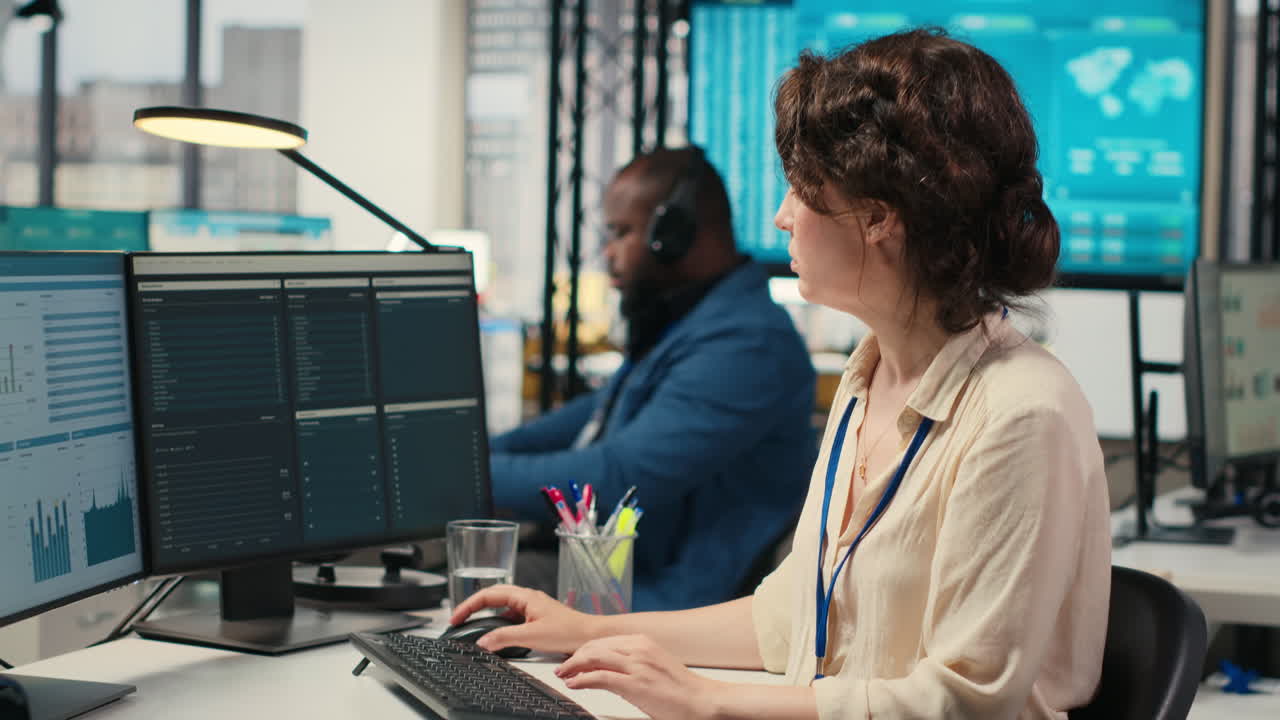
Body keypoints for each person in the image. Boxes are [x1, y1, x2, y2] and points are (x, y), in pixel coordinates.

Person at [457, 28, 1112, 719]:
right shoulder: (871, 381)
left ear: (879, 220)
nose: (780, 217)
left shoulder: (1021, 414)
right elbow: (791, 618)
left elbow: (961, 704)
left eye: (803, 190)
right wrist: (587, 629)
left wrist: (705, 701)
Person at [488, 146, 817, 611]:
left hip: (663, 596)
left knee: (472, 581)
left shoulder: (747, 344)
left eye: (621, 233)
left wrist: (469, 477)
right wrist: (473, 458)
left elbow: (614, 481)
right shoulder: (693, 323)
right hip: (613, 571)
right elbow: (588, 417)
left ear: (674, 235)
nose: (607, 253)